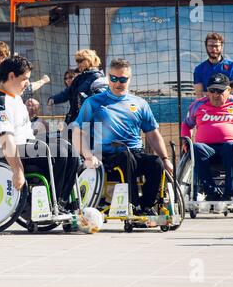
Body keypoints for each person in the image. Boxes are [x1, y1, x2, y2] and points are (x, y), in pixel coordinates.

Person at [71, 58, 173, 215]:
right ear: (108, 77)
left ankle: (147, 206)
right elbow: (78, 132)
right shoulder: (93, 102)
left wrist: (166, 159)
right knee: (125, 156)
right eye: (113, 78)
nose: (118, 82)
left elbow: (152, 133)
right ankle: (133, 204)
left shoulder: (140, 103)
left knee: (156, 163)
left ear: (129, 79)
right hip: (107, 157)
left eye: (123, 79)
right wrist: (88, 155)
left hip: (134, 153)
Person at [0, 56, 80, 210]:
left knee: (70, 149)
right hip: (4, 151)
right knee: (60, 153)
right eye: (25, 79)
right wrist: (18, 171)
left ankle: (63, 201)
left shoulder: (15, 96)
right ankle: (51, 204)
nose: (27, 83)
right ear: (11, 76)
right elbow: (6, 139)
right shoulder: (0, 102)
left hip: (25, 144)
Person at [182, 73, 233, 201]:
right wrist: (185, 141)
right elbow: (186, 124)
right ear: (207, 92)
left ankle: (230, 193)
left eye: (220, 91)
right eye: (212, 91)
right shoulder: (198, 105)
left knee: (230, 146)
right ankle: (211, 193)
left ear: (228, 90)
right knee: (196, 148)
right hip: (208, 148)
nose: (216, 95)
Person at [48, 49, 106, 124]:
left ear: (89, 60)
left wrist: (84, 101)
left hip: (91, 122)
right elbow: (67, 93)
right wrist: (53, 99)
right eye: (77, 61)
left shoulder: (98, 77)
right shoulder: (80, 78)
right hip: (75, 120)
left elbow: (101, 99)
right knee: (68, 134)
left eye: (80, 61)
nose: (78, 64)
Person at [193, 32, 233, 99]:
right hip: (206, 105)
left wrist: (209, 94)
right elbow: (199, 95)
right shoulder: (199, 69)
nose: (214, 49)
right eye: (211, 46)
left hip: (226, 105)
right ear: (206, 47)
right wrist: (220, 94)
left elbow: (232, 92)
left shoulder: (232, 66)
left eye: (216, 46)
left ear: (222, 47)